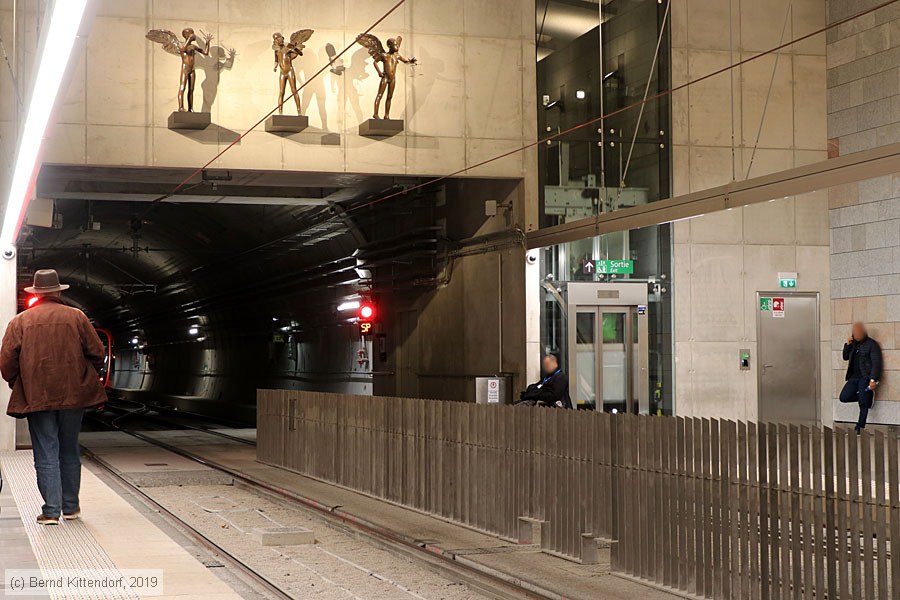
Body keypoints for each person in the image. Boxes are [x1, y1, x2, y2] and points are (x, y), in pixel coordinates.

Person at [0, 270, 107, 525]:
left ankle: (50, 511)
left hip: (38, 397)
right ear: (58, 292)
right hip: (73, 395)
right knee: (69, 449)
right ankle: (70, 508)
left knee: (46, 451)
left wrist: (21, 382)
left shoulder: (21, 321)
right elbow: (97, 352)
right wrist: (82, 375)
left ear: (36, 294)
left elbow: (6, 362)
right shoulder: (77, 317)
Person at [840, 322, 882, 434]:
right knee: (844, 397)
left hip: (865, 377)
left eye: (858, 333)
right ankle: (867, 397)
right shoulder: (853, 345)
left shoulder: (871, 344)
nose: (856, 335)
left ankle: (860, 427)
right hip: (853, 377)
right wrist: (848, 344)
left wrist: (873, 379)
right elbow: (845, 357)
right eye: (855, 333)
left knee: (863, 403)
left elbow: (876, 363)